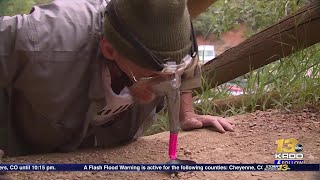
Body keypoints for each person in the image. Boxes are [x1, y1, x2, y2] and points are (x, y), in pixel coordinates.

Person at [0, 0, 234, 157]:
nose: (168, 83)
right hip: (25, 143)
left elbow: (185, 65)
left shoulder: (170, 36)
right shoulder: (42, 40)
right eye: (153, 75)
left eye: (175, 71)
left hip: (98, 145)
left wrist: (187, 113)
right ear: (110, 50)